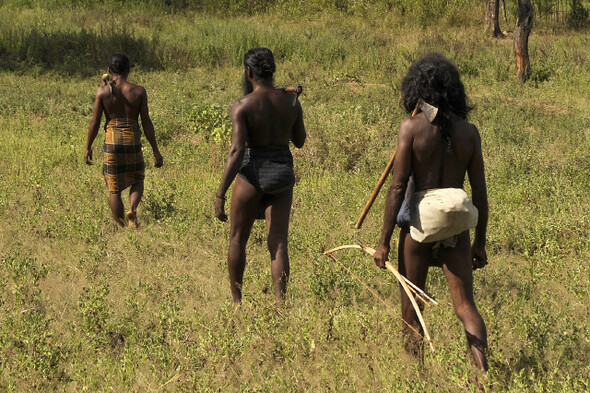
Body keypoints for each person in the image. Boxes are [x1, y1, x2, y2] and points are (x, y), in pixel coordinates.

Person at [373, 53, 489, 371]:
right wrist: (480, 241)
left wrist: (383, 241)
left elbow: (398, 188)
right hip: (456, 224)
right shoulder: (469, 132)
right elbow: (479, 192)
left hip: (419, 227)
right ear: (453, 90)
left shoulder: (411, 127)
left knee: (413, 306)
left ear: (416, 90)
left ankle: (416, 377)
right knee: (466, 306)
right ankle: (483, 379)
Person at [215, 47, 306, 304]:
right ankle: (280, 304)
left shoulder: (243, 105)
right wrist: (291, 111)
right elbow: (299, 141)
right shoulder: (290, 101)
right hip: (281, 178)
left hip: (251, 175)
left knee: (237, 239)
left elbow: (237, 151)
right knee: (278, 244)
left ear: (248, 72)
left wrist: (220, 193)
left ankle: (237, 303)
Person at [85, 53, 163, 227]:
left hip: (112, 142)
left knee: (114, 188)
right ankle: (133, 210)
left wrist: (88, 147)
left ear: (109, 70)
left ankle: (121, 225)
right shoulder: (139, 91)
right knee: (137, 179)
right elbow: (146, 122)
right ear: (128, 70)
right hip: (132, 139)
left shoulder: (102, 91)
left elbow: (95, 121)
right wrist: (155, 150)